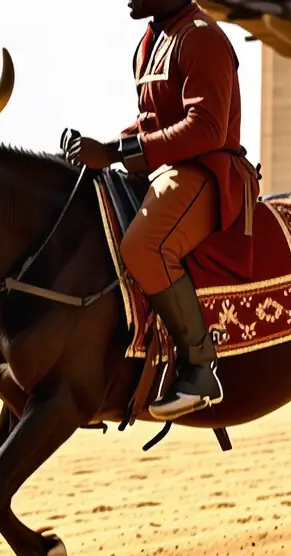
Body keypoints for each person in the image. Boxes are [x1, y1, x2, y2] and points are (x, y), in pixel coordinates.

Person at [63, 0, 257, 420]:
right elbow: (150, 121)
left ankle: (200, 366)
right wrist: (102, 148)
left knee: (143, 247)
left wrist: (116, 152)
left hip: (208, 171)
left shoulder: (201, 37)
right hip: (163, 168)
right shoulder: (152, 40)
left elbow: (207, 127)